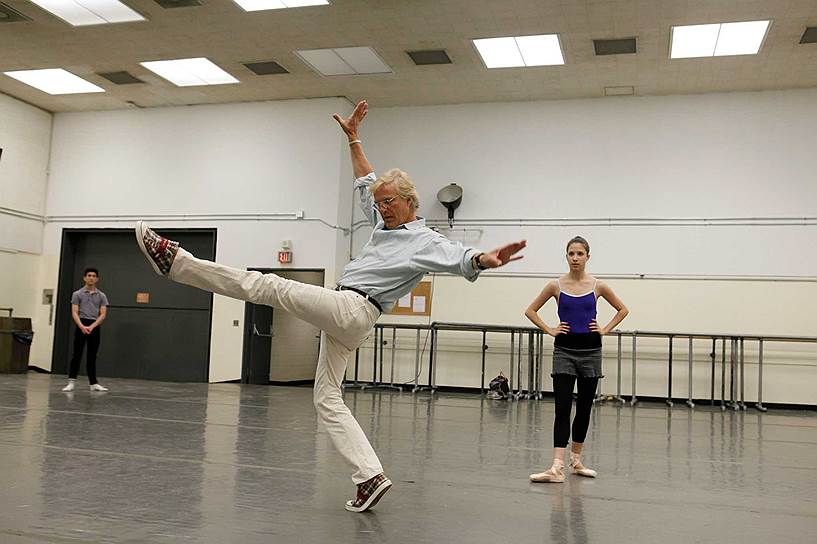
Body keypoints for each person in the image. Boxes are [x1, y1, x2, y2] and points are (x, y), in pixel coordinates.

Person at [134, 99, 527, 512]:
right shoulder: (382, 223)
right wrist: (354, 137)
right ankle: (369, 475)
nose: (381, 206)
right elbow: (365, 178)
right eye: (380, 202)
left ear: (411, 202)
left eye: (389, 202)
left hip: (353, 308)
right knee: (326, 396)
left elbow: (459, 257)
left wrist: (486, 259)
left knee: (269, 285)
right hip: (351, 316)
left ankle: (176, 263)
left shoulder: (424, 241)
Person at [524, 236, 628, 482]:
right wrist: (550, 329)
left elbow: (623, 309)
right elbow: (530, 310)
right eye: (571, 254)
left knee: (584, 408)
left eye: (580, 254)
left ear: (587, 257)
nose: (575, 258)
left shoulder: (598, 286)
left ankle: (576, 461)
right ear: (566, 256)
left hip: (591, 352)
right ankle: (556, 467)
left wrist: (604, 329)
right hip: (564, 351)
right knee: (562, 408)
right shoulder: (555, 286)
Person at [62, 268, 110, 392]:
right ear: (84, 278)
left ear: (97, 279)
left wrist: (92, 326)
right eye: (89, 275)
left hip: (94, 325)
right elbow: (74, 311)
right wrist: (82, 326)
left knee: (92, 355)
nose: (91, 278)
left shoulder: (102, 295)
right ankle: (71, 382)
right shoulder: (77, 294)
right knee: (76, 354)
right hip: (81, 325)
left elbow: (103, 314)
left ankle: (93, 383)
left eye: (94, 276)